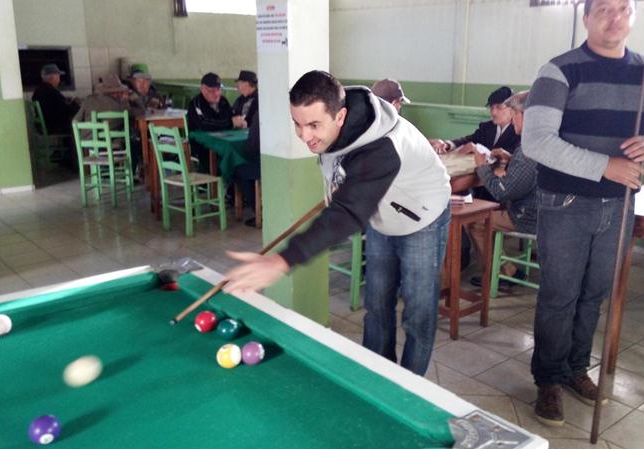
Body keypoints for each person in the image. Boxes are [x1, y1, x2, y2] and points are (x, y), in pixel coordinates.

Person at [522, 0, 644, 427]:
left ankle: (575, 369)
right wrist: (605, 166)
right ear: (586, 18)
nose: (614, 18)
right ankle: (548, 380)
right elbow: (537, 141)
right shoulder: (559, 71)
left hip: (620, 204)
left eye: (623, 9)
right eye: (603, 10)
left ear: (633, 15)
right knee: (559, 296)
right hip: (565, 203)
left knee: (594, 295)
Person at [223, 71, 451, 376]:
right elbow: (344, 178)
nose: (305, 136)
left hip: (423, 216)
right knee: (377, 305)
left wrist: (281, 260)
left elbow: (347, 214)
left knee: (418, 315)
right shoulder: (334, 124)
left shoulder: (382, 147)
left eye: (313, 125)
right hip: (383, 215)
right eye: (297, 124)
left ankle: (410, 388)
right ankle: (375, 376)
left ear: (340, 117)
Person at [461, 91, 537, 288]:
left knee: (475, 221)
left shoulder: (528, 147)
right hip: (541, 209)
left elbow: (502, 192)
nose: (512, 119)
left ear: (526, 115)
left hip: (528, 215)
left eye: (514, 113)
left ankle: (503, 273)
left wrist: (482, 166)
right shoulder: (542, 141)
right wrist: (510, 160)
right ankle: (503, 269)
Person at [429, 86, 520, 156]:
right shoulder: (486, 127)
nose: (493, 112)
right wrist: (448, 144)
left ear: (512, 108)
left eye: (499, 107)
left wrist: (478, 149)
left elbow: (510, 154)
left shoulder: (519, 130)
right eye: (491, 107)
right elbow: (469, 140)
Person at [187, 72, 233, 173]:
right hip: (202, 150)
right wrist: (230, 123)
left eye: (218, 89)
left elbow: (229, 118)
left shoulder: (223, 102)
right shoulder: (196, 103)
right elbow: (205, 125)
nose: (216, 94)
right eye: (212, 90)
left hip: (222, 145)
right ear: (203, 89)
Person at [31, 64, 79, 135]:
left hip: (42, 126)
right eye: (58, 77)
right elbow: (66, 111)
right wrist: (75, 103)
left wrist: (66, 101)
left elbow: (57, 105)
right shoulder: (52, 91)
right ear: (52, 78)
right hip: (54, 127)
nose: (59, 80)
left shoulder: (37, 91)